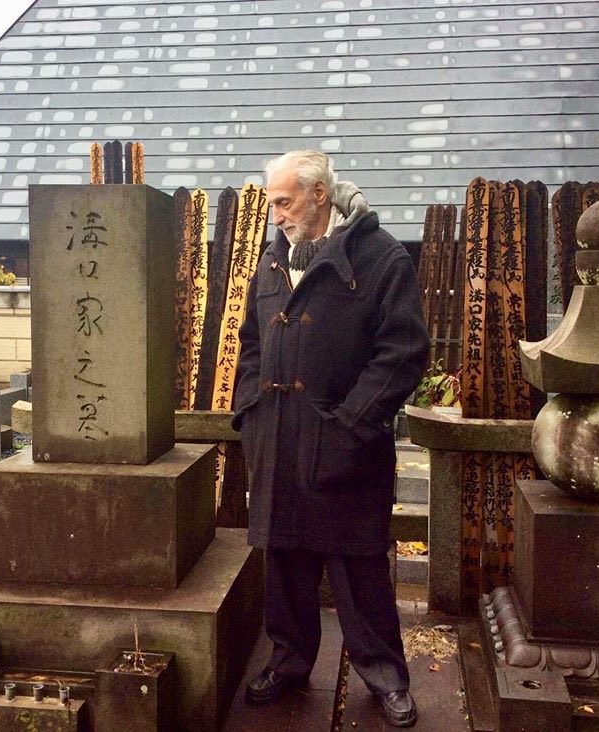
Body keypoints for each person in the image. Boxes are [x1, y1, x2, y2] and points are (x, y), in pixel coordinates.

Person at [232, 150, 430, 728]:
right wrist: (250, 410)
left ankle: (385, 675)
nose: (273, 214)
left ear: (320, 195)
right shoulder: (273, 262)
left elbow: (403, 352)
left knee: (358, 568)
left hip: (346, 445)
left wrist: (350, 424)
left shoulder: (380, 257)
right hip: (278, 440)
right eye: (271, 201)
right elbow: (249, 345)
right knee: (285, 562)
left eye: (282, 200)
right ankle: (290, 662)